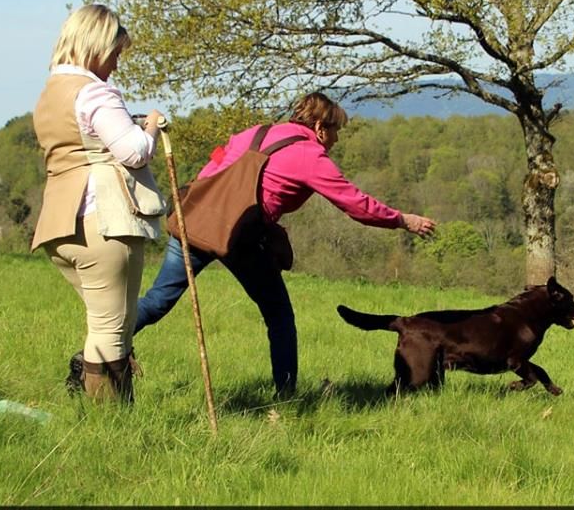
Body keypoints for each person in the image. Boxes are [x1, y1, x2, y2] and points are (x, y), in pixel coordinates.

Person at [131, 92, 437, 399]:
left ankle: (100, 352)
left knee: (157, 301)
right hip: (242, 239)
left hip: (194, 222)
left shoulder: (254, 132)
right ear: (319, 127)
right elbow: (357, 205)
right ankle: (287, 397)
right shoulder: (309, 155)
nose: (337, 139)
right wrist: (402, 220)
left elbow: (210, 173)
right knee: (279, 316)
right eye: (335, 131)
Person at [32, 3, 168, 404]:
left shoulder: (50, 93)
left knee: (102, 326)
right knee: (113, 331)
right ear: (95, 45)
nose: (115, 65)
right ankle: (114, 424)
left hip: (59, 225)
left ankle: (102, 421)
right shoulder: (94, 91)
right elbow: (133, 152)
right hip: (103, 223)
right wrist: (152, 127)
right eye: (114, 54)